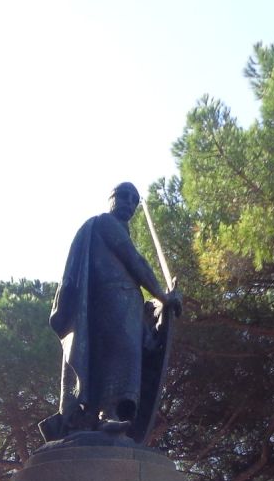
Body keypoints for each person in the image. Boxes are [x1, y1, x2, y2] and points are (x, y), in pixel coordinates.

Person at [41, 182, 182, 442]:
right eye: (124, 196)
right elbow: (134, 260)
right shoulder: (106, 223)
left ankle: (104, 414)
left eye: (135, 199)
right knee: (121, 352)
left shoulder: (118, 229)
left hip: (128, 303)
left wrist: (161, 304)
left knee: (124, 355)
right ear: (111, 199)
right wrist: (163, 296)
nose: (130, 202)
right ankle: (108, 412)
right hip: (111, 298)